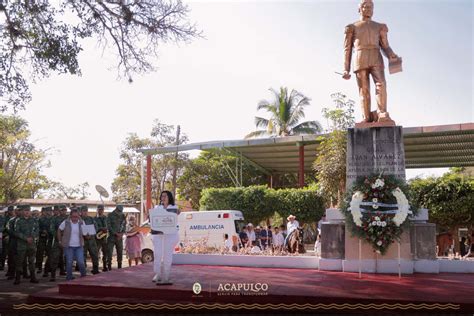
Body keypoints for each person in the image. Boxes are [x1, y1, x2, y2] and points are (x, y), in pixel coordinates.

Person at [342, 0, 400, 124]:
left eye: (371, 7)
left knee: (381, 84)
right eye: (366, 7)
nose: (369, 9)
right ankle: (366, 116)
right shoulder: (352, 27)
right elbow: (347, 49)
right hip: (360, 56)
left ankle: (382, 112)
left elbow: (385, 46)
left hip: (375, 56)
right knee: (364, 89)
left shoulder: (379, 26)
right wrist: (345, 68)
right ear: (360, 9)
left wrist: (391, 54)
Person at [152, 190, 180, 285]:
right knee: (157, 254)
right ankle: (158, 274)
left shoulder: (174, 207)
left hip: (170, 235)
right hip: (158, 235)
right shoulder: (157, 207)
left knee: (167, 256)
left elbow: (175, 217)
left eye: (165, 196)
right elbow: (152, 219)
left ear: (169, 197)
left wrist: (177, 212)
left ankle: (166, 276)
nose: (163, 198)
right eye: (162, 196)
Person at [57, 208, 86, 281]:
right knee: (69, 262)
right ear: (70, 216)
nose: (75, 218)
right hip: (69, 246)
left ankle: (84, 276)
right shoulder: (66, 222)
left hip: (79, 246)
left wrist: (87, 234)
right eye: (73, 217)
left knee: (81, 262)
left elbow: (85, 233)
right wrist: (60, 241)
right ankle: (69, 278)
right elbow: (59, 230)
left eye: (76, 217)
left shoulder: (81, 222)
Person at [13, 205, 39, 285]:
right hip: (22, 244)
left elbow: (37, 229)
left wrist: (32, 237)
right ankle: (17, 278)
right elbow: (16, 232)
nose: (27, 212)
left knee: (32, 261)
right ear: (22, 211)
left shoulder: (34, 220)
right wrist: (25, 238)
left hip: (31, 244)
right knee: (19, 261)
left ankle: (33, 277)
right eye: (25, 210)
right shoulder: (18, 221)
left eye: (28, 210)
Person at [80, 205, 100, 274]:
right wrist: (83, 235)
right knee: (83, 256)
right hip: (83, 240)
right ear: (80, 212)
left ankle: (95, 269)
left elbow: (96, 227)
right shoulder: (79, 220)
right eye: (83, 211)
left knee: (94, 254)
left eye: (86, 211)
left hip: (91, 240)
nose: (85, 212)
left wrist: (91, 234)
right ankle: (83, 271)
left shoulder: (91, 219)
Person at [106, 205, 126, 270]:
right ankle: (109, 266)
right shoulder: (110, 215)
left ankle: (119, 266)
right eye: (119, 211)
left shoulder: (122, 215)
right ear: (116, 209)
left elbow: (124, 225)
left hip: (119, 238)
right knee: (109, 252)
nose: (120, 213)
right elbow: (108, 226)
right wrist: (115, 233)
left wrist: (122, 233)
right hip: (111, 237)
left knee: (120, 252)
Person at [94, 205, 109, 272]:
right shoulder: (94, 219)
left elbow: (108, 226)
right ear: (97, 210)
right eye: (99, 209)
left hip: (105, 238)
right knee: (96, 253)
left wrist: (107, 229)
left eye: (102, 209)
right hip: (97, 238)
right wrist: (101, 229)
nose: (101, 211)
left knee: (105, 253)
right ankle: (96, 268)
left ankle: (105, 267)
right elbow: (94, 228)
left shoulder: (106, 218)